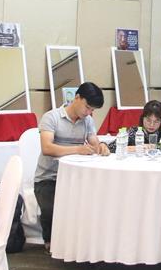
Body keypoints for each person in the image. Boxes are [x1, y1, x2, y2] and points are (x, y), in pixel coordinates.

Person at [33, 82, 107, 244]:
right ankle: (51, 242)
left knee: (97, 202)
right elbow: (47, 148)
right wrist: (78, 149)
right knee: (51, 208)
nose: (89, 113)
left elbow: (94, 143)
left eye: (92, 110)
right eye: (87, 107)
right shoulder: (51, 117)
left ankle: (83, 242)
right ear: (77, 97)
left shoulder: (87, 121)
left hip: (75, 177)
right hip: (49, 178)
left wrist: (101, 146)